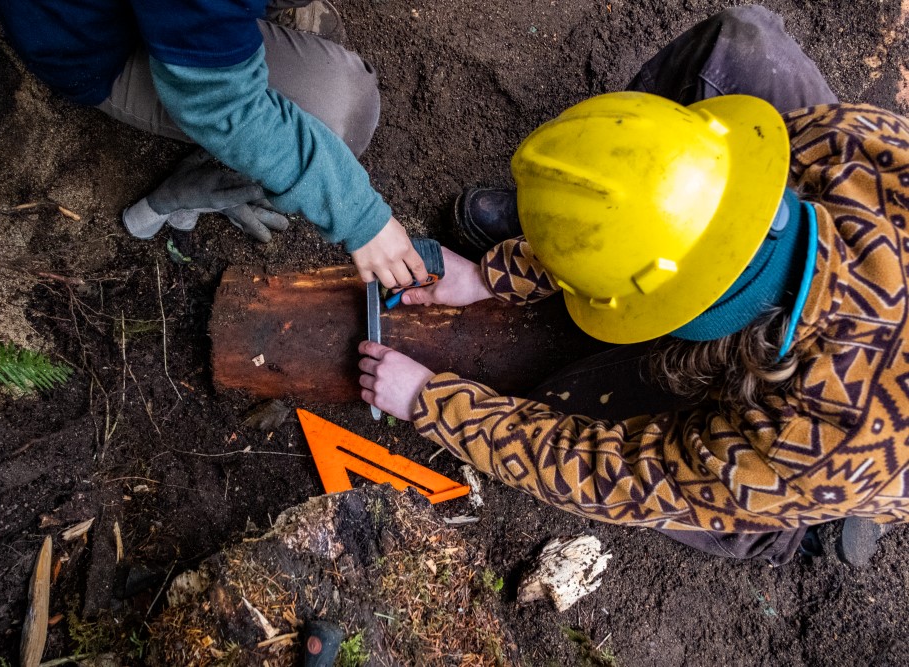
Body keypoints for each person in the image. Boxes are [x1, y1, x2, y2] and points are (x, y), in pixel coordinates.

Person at [358, 5, 909, 566]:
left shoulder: (804, 444)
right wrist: (495, 274)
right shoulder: (855, 148)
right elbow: (678, 212)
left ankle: (794, 530)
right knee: (740, 48)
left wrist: (432, 404)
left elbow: (613, 474)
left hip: (861, 451)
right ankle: (569, 227)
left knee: (576, 409)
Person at [0, 0, 427, 289]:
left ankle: (232, 29)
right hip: (98, 45)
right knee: (345, 111)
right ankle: (203, 176)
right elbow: (224, 104)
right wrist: (358, 216)